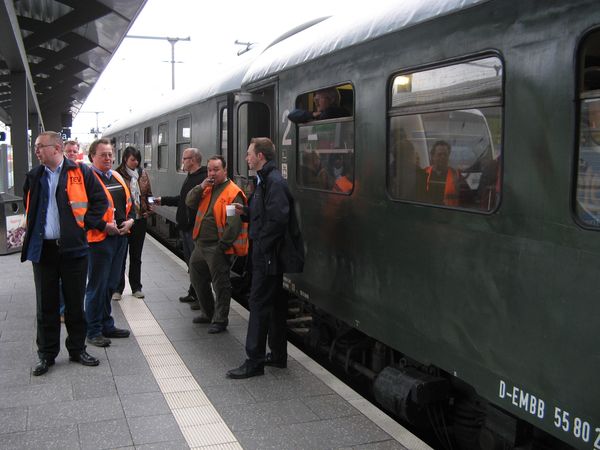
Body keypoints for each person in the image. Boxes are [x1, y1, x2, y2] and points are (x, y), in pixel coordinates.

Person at [22, 131, 107, 376]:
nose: (36, 150)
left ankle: (77, 349)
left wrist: (85, 225)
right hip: (44, 250)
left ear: (56, 148)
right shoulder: (34, 175)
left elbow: (101, 201)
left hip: (74, 250)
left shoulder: (81, 172)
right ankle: (46, 355)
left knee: (74, 303)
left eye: (40, 146)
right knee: (45, 305)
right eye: (35, 147)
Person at [227, 138, 304, 379]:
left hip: (268, 256)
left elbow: (279, 220)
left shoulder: (273, 182)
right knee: (276, 305)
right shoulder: (264, 181)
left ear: (260, 156)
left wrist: (260, 244)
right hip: (269, 254)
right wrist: (246, 213)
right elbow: (267, 214)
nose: (246, 158)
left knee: (259, 305)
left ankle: (254, 362)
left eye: (249, 154)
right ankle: (278, 355)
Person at [185, 155, 248, 333]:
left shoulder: (232, 192)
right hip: (201, 244)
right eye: (209, 170)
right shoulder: (207, 188)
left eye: (216, 169)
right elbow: (189, 202)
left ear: (225, 170)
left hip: (217, 246)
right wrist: (201, 186)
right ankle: (208, 312)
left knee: (220, 284)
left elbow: (234, 224)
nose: (212, 173)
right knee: (196, 276)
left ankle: (220, 319)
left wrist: (223, 246)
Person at [85, 138, 134, 347]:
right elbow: (82, 214)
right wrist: (105, 226)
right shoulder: (88, 179)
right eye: (103, 154)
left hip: (120, 238)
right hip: (99, 240)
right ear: (92, 157)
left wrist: (130, 220)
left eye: (110, 154)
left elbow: (128, 203)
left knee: (111, 284)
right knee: (97, 286)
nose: (108, 158)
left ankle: (107, 324)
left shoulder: (116, 176)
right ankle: (93, 329)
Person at [154, 148, 207, 309]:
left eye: (184, 159)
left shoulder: (201, 179)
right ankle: (194, 292)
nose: (182, 161)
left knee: (197, 265)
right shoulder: (190, 178)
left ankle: (202, 298)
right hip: (185, 227)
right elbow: (182, 200)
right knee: (190, 264)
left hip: (193, 229)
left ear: (192, 160)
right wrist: (162, 200)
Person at [113, 146, 153, 300]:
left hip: (139, 220)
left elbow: (148, 193)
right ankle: (118, 288)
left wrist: (149, 208)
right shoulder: (117, 175)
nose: (135, 162)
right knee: (121, 256)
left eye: (137, 159)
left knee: (136, 256)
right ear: (125, 159)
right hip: (123, 220)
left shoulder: (142, 174)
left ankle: (136, 287)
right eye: (132, 159)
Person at [422, 140, 471, 206]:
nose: (443, 157)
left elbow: (468, 201)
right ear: (433, 156)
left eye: (445, 155)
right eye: (439, 154)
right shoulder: (423, 173)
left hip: (449, 214)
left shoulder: (457, 175)